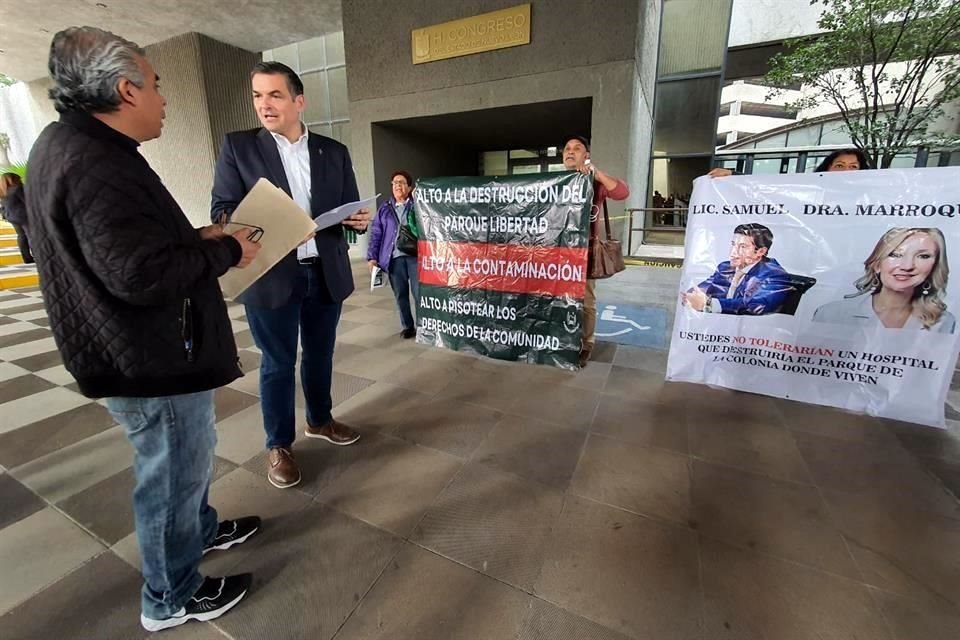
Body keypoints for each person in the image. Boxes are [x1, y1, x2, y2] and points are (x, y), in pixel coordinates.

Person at [25, 27, 263, 632]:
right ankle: (171, 594)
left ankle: (201, 532)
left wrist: (196, 239)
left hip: (143, 348)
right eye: (156, 86)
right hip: (145, 358)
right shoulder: (90, 161)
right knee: (170, 474)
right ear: (126, 90)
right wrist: (224, 252)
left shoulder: (74, 146)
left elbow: (126, 248)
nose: (163, 99)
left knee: (189, 457)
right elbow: (138, 274)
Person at [212, 62, 371, 490]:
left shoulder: (333, 151)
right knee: (279, 362)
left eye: (275, 95)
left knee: (320, 354)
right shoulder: (238, 147)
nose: (265, 104)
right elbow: (220, 210)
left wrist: (357, 219)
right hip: (272, 274)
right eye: (257, 96)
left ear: (298, 101)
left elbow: (348, 207)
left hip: (324, 270)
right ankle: (278, 444)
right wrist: (251, 218)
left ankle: (320, 420)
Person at [560, 135, 630, 367]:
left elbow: (621, 192)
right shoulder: (555, 181)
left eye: (577, 148)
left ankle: (585, 344)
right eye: (567, 149)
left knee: (586, 301)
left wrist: (596, 173)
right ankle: (562, 339)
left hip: (585, 253)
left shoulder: (593, 181)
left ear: (586, 155)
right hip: (557, 253)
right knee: (559, 299)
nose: (571, 152)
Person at [813, 227, 954, 333]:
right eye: (895, 254)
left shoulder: (943, 322)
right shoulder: (831, 314)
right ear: (877, 264)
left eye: (923, 256)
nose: (907, 266)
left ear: (935, 266)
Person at [682, 223, 792, 315]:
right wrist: (692, 297)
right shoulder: (725, 267)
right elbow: (700, 290)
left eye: (743, 247)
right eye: (733, 244)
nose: (733, 252)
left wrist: (709, 304)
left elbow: (758, 305)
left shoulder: (774, 274)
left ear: (760, 252)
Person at [367, 170, 420, 339]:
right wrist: (372, 257)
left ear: (409, 187)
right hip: (393, 259)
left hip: (415, 257)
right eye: (395, 182)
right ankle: (408, 326)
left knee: (420, 294)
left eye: (402, 182)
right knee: (400, 295)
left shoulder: (417, 205)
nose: (398, 185)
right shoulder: (384, 209)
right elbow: (376, 234)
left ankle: (424, 327)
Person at [706, 147, 871, 178]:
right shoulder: (810, 187)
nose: (845, 171)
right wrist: (734, 175)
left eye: (853, 167)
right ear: (827, 168)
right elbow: (769, 188)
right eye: (839, 166)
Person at [0, 172, 33, 263]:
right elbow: (27, 202)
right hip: (23, 215)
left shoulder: (3, 191)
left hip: (11, 217)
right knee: (31, 235)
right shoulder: (17, 188)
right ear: (13, 179)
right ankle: (38, 255)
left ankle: (26, 258)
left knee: (21, 236)